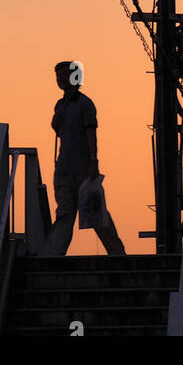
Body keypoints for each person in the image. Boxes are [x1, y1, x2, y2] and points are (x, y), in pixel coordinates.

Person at [43, 60, 126, 256]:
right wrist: (56, 120)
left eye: (64, 75)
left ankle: (116, 252)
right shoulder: (60, 104)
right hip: (64, 168)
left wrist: (93, 161)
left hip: (83, 168)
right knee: (64, 213)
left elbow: (91, 134)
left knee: (96, 213)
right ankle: (54, 254)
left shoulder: (85, 104)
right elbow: (58, 130)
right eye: (58, 76)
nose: (60, 80)